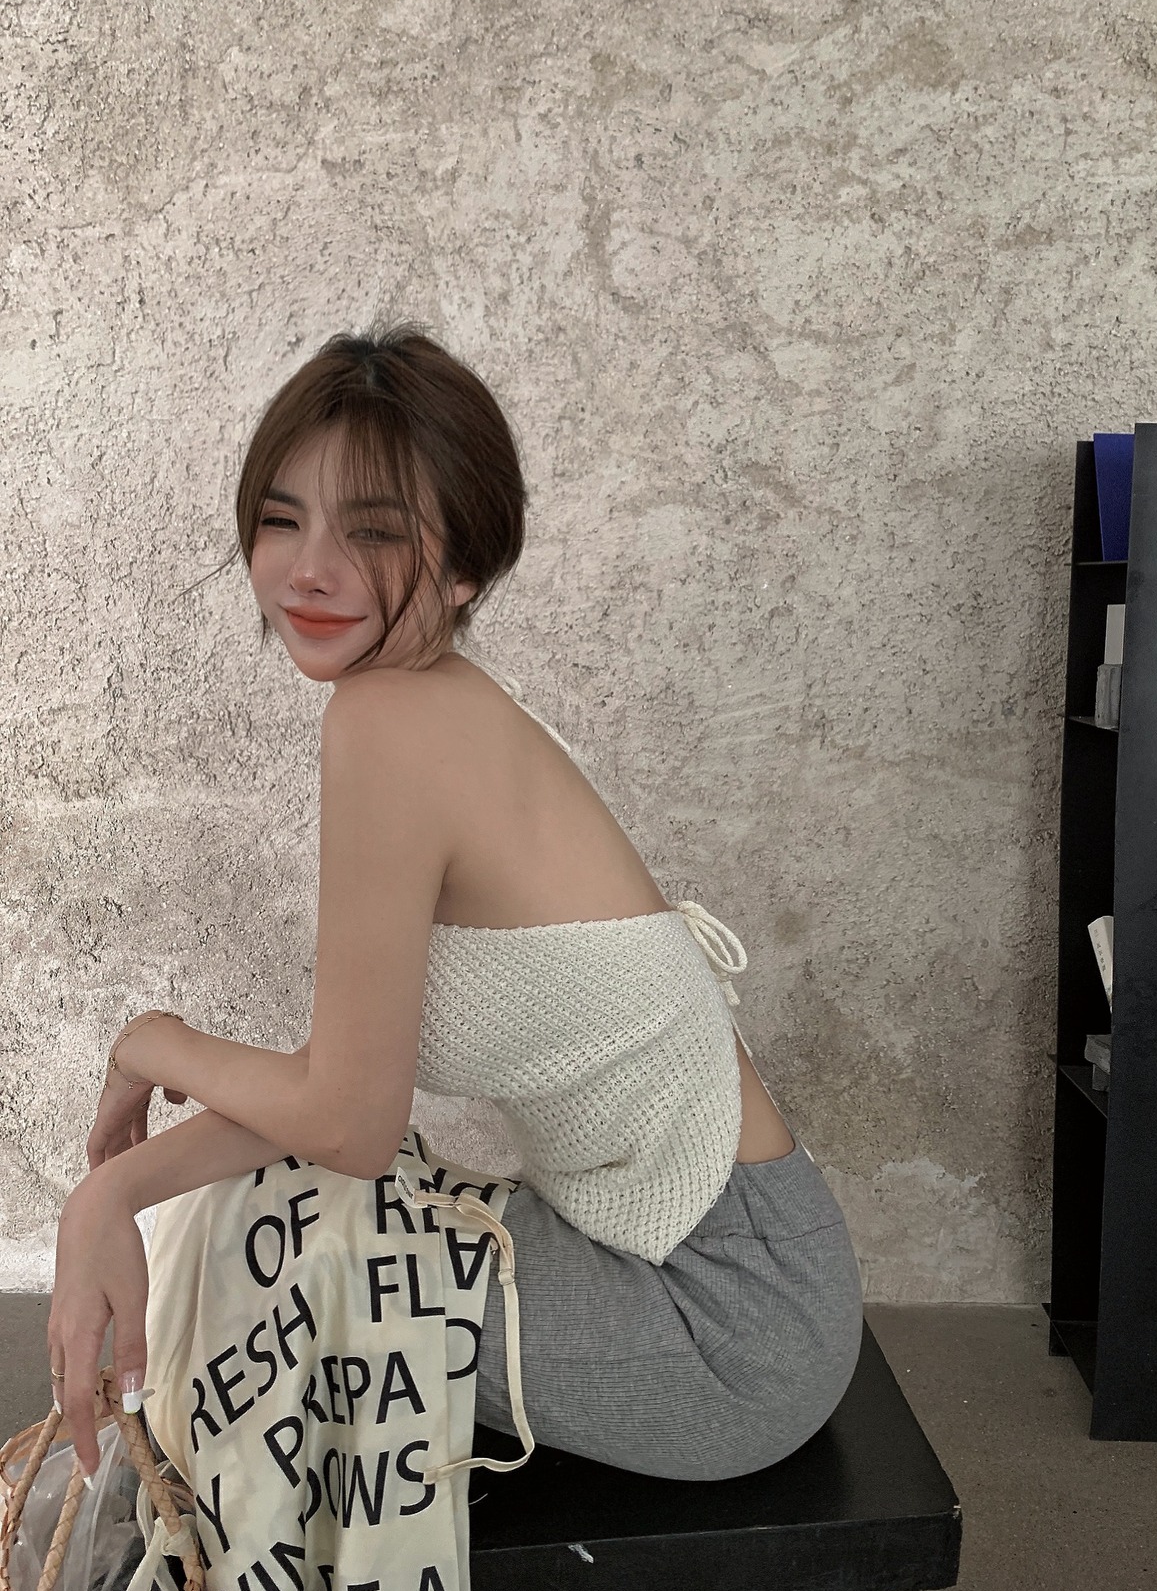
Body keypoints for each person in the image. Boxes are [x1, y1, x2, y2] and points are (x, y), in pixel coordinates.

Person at [49, 323, 863, 1485]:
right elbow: (341, 1092)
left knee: (255, 1257)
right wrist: (117, 1189)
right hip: (718, 1255)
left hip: (721, 1320)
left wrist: (149, 1045)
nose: (307, 570)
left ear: (467, 562)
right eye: (280, 519)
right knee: (246, 1211)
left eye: (373, 531)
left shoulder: (391, 723)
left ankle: (167, 1557)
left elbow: (344, 1119)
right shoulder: (439, 701)